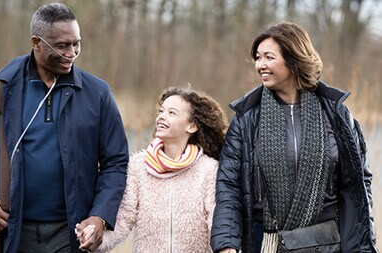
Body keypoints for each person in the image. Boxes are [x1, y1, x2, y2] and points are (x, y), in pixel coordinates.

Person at [0, 3, 129, 252]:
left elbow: (116, 163)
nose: (72, 53)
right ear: (36, 42)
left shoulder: (97, 93)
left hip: (70, 235)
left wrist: (100, 217)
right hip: (9, 233)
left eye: (76, 43)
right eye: (62, 45)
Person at [210, 22, 377, 253]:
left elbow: (357, 182)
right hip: (265, 242)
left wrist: (362, 246)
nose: (260, 65)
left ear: (293, 59)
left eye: (269, 57)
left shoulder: (334, 112)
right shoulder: (247, 118)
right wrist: (226, 243)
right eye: (258, 58)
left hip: (327, 244)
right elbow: (229, 186)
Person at [76, 87, 228, 252]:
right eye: (161, 111)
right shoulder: (138, 167)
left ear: (191, 126)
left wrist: (226, 247)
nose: (161, 116)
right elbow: (123, 219)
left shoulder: (208, 170)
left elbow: (218, 222)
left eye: (172, 113)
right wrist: (95, 238)